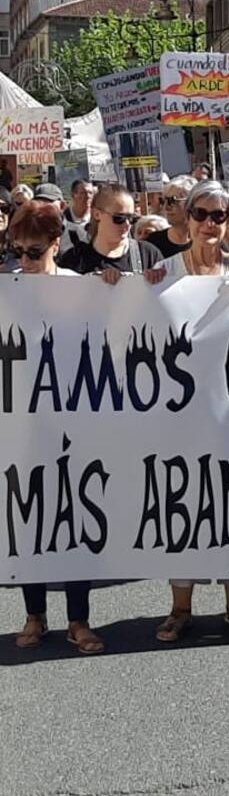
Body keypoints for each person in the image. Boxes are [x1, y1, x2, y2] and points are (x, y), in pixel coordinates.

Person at [141, 181, 229, 641]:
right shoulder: (162, 275)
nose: (209, 224)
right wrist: (125, 288)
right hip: (179, 417)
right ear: (186, 218)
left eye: (220, 216)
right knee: (183, 507)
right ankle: (179, 607)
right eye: (201, 214)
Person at [4, 201, 106, 653]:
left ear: (56, 245)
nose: (24, 261)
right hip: (20, 424)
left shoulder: (81, 288)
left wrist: (122, 289)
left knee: (76, 514)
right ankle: (34, 615)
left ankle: (79, 619)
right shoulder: (7, 289)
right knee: (28, 518)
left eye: (34, 251)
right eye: (17, 251)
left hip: (75, 421)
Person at [59, 184, 163, 278]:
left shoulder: (148, 254)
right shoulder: (74, 260)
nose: (127, 224)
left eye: (132, 219)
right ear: (97, 214)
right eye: (119, 218)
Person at [146, 175, 195, 259]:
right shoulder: (152, 244)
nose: (166, 207)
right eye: (163, 201)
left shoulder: (204, 241)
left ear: (191, 202)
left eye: (172, 201)